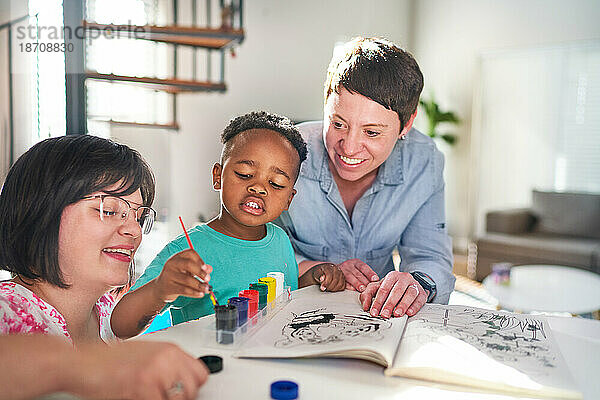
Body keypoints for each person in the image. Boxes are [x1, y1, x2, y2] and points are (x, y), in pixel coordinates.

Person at [0, 135, 209, 399]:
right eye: (109, 210)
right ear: (40, 212)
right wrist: (88, 365)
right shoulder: (8, 308)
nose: (134, 230)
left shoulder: (106, 311)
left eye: (139, 216)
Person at [112, 111, 346, 334]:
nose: (259, 187)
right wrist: (160, 289)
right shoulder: (186, 251)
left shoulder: (280, 240)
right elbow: (120, 324)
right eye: (244, 174)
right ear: (217, 177)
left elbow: (284, 294)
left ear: (289, 199)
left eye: (275, 183)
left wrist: (315, 277)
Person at [275, 37, 455, 319]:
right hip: (290, 314)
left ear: (406, 124)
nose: (348, 147)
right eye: (338, 124)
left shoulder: (424, 161)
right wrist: (313, 269)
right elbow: (252, 248)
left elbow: (429, 255)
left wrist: (417, 283)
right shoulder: (286, 153)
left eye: (371, 132)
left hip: (377, 319)